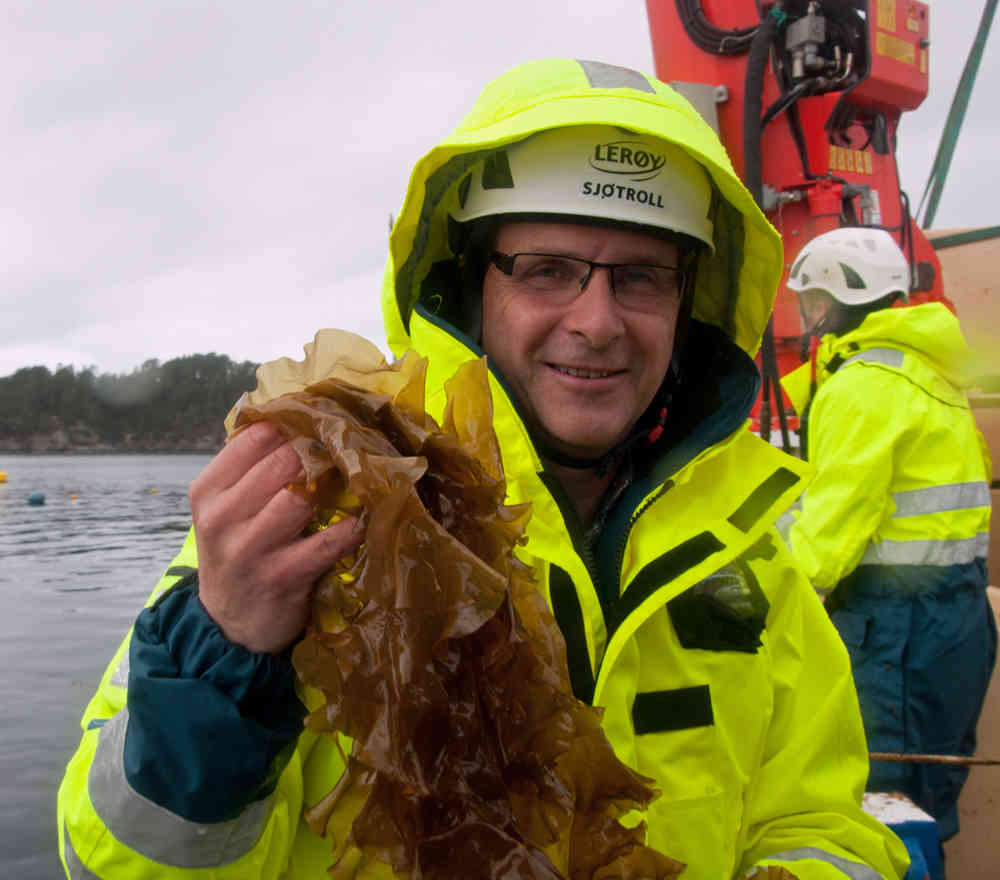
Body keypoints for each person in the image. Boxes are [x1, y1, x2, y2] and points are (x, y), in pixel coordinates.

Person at [58, 58, 909, 879]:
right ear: (470, 288)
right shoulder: (308, 518)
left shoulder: (751, 555)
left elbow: (821, 821)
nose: (599, 320)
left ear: (690, 307)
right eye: (548, 271)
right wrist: (223, 655)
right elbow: (118, 862)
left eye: (642, 278)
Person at [780, 227, 996, 844]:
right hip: (954, 620)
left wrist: (762, 588)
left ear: (841, 301)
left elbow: (830, 532)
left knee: (882, 804)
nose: (807, 314)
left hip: (895, 628)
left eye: (814, 299)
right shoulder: (926, 373)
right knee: (925, 801)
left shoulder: (863, 387)